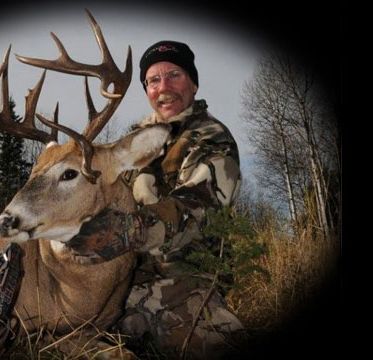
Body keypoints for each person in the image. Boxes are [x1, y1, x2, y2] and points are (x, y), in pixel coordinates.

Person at [65, 40, 246, 358]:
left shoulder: (212, 138)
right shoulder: (132, 144)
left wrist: (114, 233)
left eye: (174, 75)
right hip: (117, 281)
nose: (164, 87)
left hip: (180, 284)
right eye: (153, 80)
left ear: (193, 83)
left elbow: (195, 208)